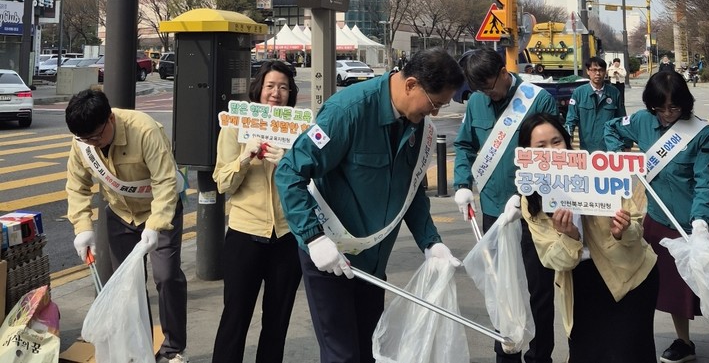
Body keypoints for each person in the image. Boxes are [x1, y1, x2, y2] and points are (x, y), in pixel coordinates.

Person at [275, 48, 464, 363]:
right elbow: (289, 171)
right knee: (342, 355)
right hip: (331, 256)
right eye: (435, 104)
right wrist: (313, 237)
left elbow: (411, 190)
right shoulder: (347, 112)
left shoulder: (415, 124)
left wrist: (431, 242)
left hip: (373, 261)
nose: (434, 113)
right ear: (411, 85)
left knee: (370, 350)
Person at [604, 71, 709, 363]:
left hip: (696, 223)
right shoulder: (642, 121)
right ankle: (684, 342)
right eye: (660, 108)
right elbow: (611, 129)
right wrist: (622, 159)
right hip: (660, 221)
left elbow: (706, 181)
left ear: (685, 103)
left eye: (674, 107)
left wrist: (701, 222)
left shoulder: (700, 132)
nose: (667, 114)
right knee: (676, 288)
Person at [514, 113, 659, 363]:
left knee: (630, 355)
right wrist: (570, 236)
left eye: (556, 141)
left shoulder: (600, 172)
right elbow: (552, 259)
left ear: (567, 142)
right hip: (580, 285)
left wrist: (622, 230)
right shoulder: (532, 200)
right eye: (541, 146)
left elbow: (635, 224)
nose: (552, 152)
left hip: (629, 277)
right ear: (528, 154)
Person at [453, 48, 560, 363]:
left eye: (490, 87)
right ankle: (507, 352)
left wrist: (525, 195)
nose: (488, 94)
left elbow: (554, 156)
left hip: (534, 213)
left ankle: (540, 356)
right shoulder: (476, 102)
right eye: (480, 90)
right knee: (501, 289)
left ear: (503, 72)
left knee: (538, 289)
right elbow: (464, 144)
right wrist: (462, 184)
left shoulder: (538, 100)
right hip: (493, 211)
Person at [65, 89, 188, 363]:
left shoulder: (144, 130)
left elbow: (165, 181)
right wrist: (82, 228)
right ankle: (138, 349)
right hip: (121, 214)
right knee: (128, 287)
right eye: (85, 139)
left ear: (110, 119)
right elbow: (77, 185)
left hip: (159, 212)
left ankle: (173, 349)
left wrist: (155, 225)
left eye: (97, 136)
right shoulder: (83, 141)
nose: (92, 143)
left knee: (166, 277)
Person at [211, 61, 302, 363]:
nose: (276, 93)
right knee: (235, 318)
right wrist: (245, 158)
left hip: (287, 237)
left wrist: (288, 162)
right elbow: (223, 183)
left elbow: (311, 181)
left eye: (284, 87)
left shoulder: (297, 130)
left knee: (277, 322)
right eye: (270, 86)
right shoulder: (235, 126)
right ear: (259, 88)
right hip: (244, 236)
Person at [565, 56, 625, 152]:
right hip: (587, 147)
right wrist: (567, 138)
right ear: (588, 71)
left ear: (605, 72)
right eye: (594, 70)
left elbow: (622, 120)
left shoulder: (614, 93)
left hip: (610, 148)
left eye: (601, 70)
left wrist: (627, 144)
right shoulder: (579, 93)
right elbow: (571, 119)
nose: (597, 73)